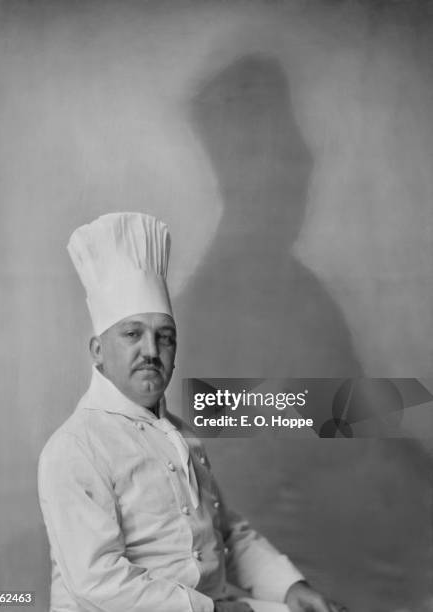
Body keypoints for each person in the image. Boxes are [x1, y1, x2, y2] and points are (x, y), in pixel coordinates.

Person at [38, 212, 346, 612]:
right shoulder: (75, 448)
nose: (151, 350)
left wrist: (289, 588)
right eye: (132, 334)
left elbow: (225, 534)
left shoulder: (181, 435)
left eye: (164, 337)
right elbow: (99, 583)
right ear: (97, 351)